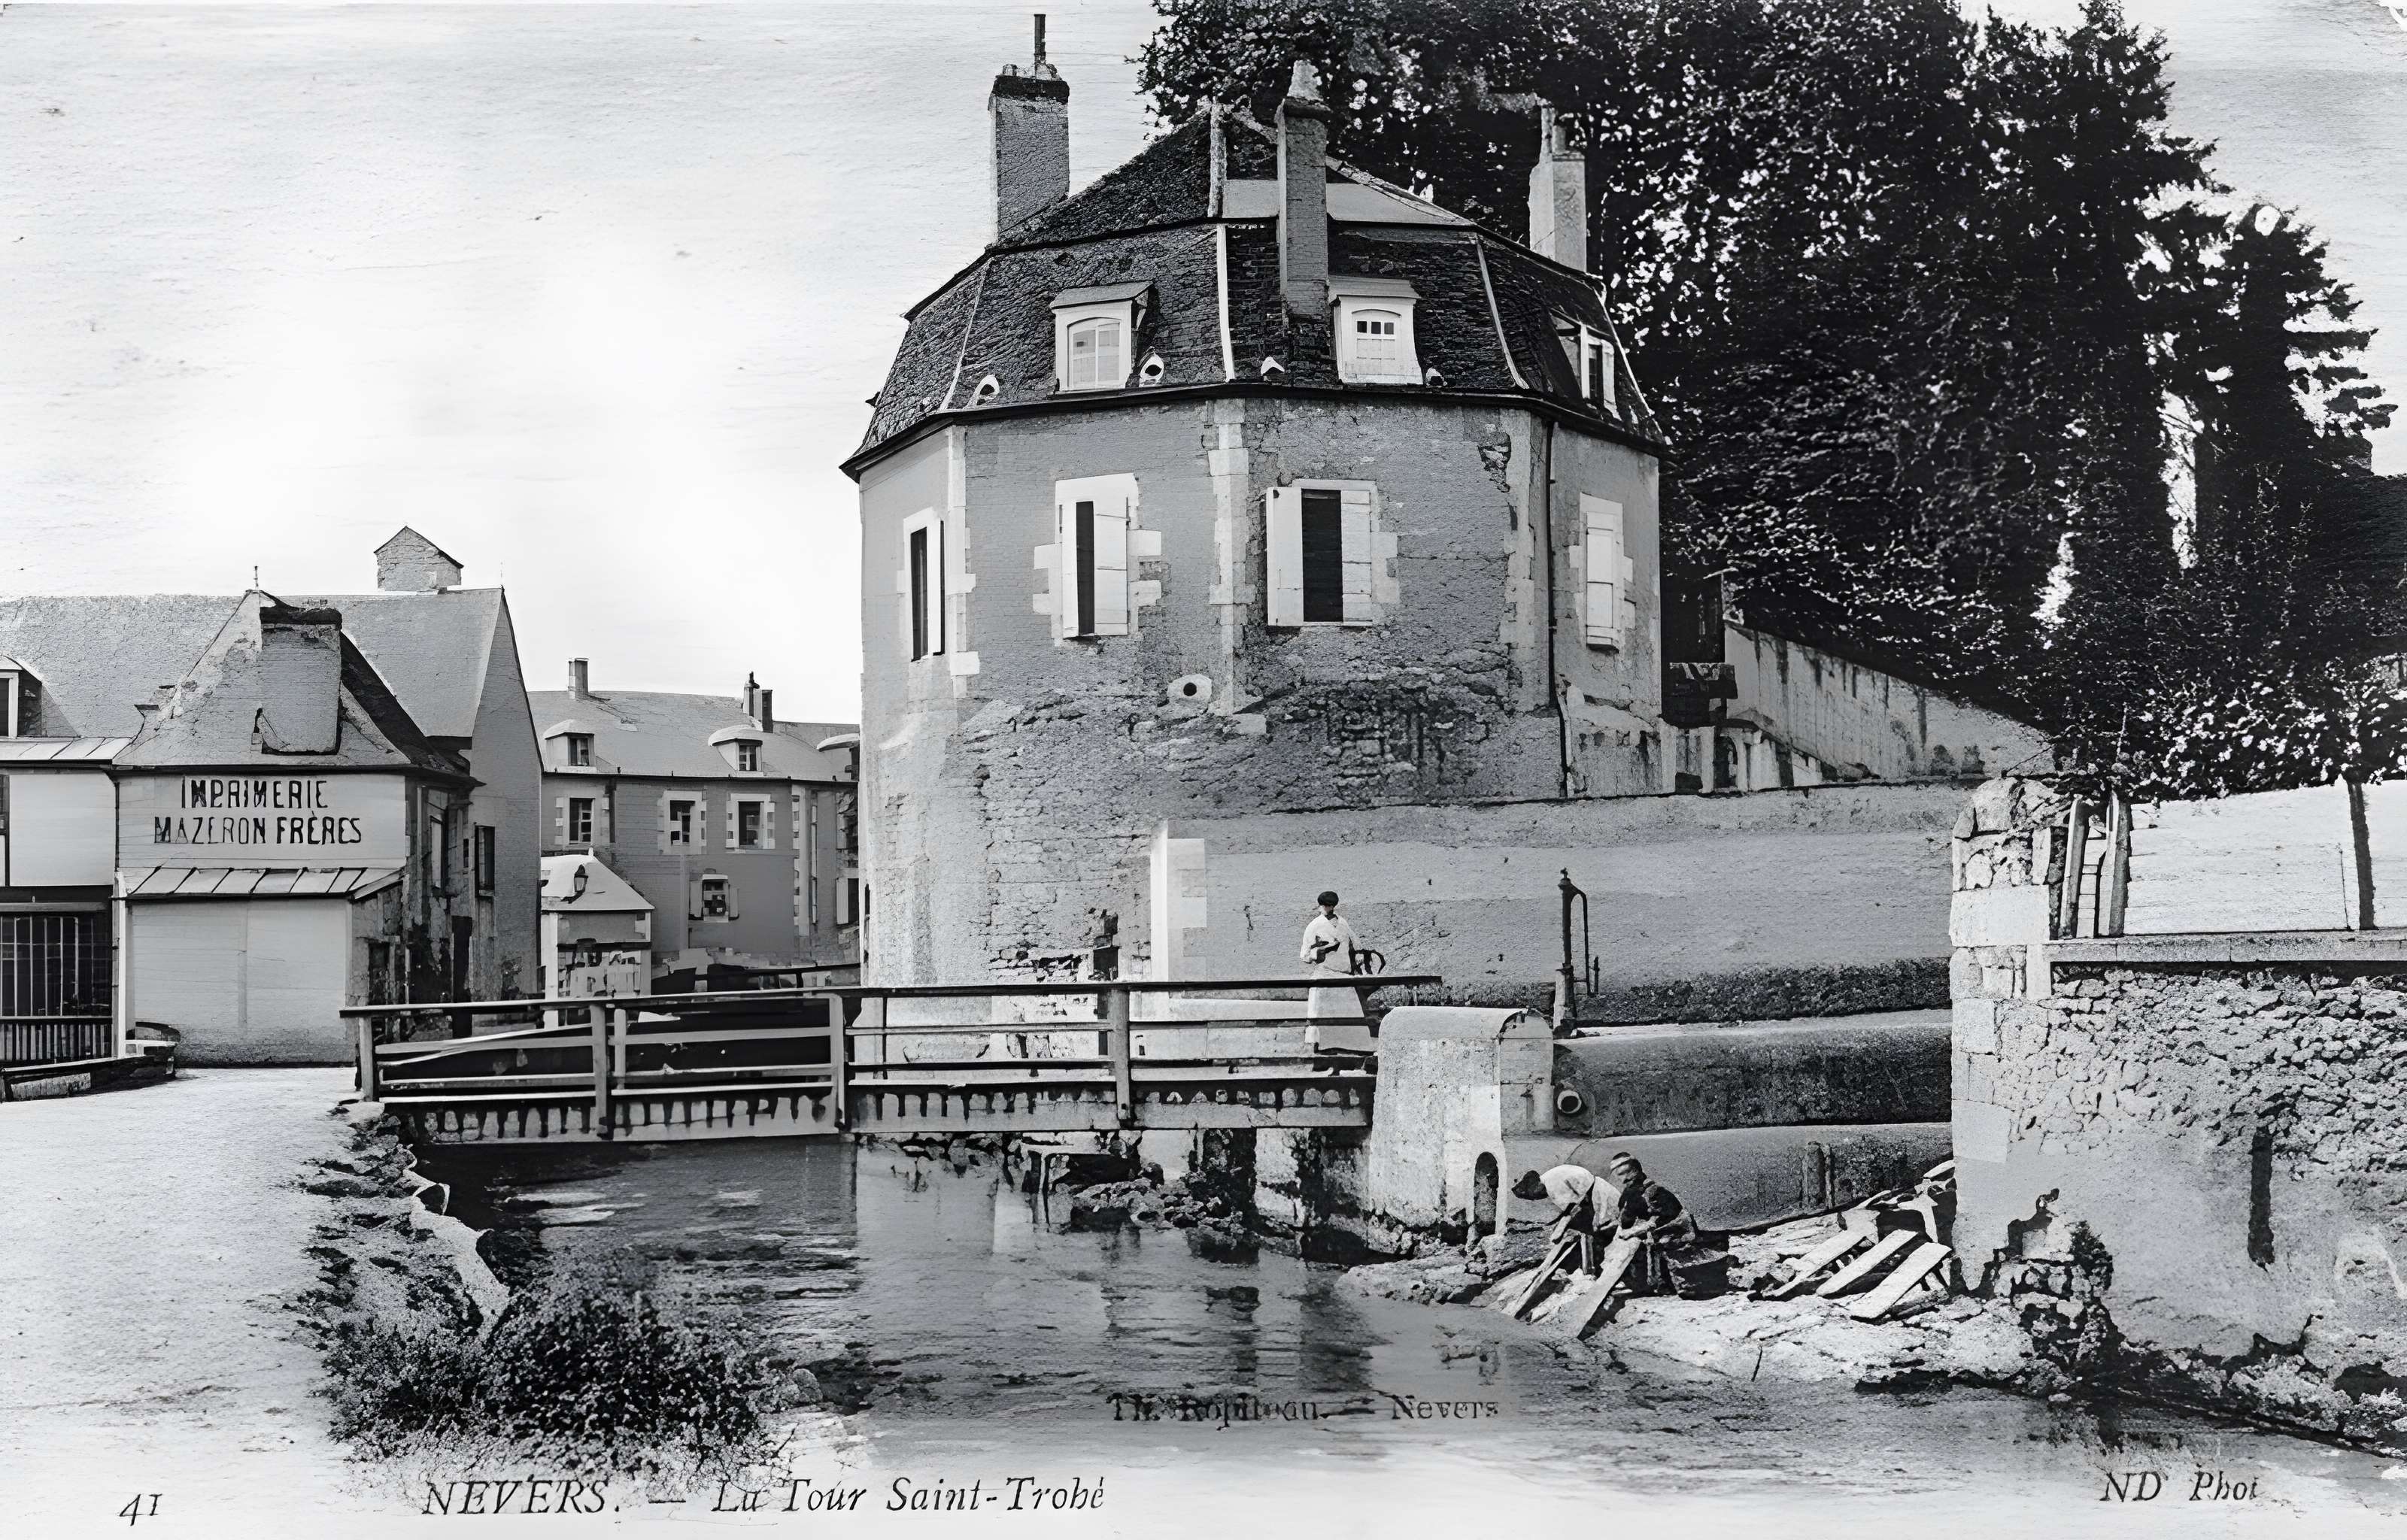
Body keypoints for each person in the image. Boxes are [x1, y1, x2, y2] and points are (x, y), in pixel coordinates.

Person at [1606, 1152, 1701, 1295]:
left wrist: (1633, 1232)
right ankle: (1639, 1281)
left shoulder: (1654, 1192)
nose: (1624, 1179)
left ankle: (1665, 1284)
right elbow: (1625, 1219)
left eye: (1628, 1173)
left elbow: (1658, 1220)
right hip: (1651, 1232)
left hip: (1673, 1230)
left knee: (1659, 1245)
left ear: (1637, 1171)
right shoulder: (1629, 1194)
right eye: (1619, 1176)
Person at [1298, 891, 1373, 1057]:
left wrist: (1359, 955)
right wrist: (1321, 951)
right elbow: (1304, 955)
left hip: (1343, 976)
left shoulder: (1343, 923)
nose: (1327, 909)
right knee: (1323, 1023)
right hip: (1324, 975)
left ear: (1334, 906)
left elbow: (1356, 942)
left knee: (1350, 1019)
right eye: (1324, 906)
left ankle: (1354, 1050)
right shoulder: (1314, 925)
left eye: (1330, 906)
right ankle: (1323, 1053)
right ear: (1320, 906)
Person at [1510, 1164, 1609, 1275]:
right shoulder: (1549, 1178)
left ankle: (1588, 1271)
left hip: (1598, 1197)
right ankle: (1583, 1268)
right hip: (1593, 1193)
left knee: (1577, 1232)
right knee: (1574, 1230)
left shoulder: (1552, 1187)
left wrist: (1559, 1230)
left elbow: (1573, 1211)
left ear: (1535, 1186)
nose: (1536, 1198)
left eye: (1534, 1196)